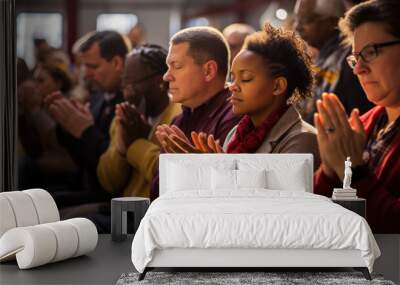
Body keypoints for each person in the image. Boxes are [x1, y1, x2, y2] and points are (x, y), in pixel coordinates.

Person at [161, 24, 320, 168]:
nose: (233, 87)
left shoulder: (302, 140)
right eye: (233, 78)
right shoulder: (236, 133)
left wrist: (218, 169)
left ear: (277, 86)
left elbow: (276, 199)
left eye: (246, 78)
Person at [314, 0, 400, 233]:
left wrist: (353, 173)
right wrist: (330, 171)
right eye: (355, 58)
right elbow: (318, 218)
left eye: (371, 52)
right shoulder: (363, 124)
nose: (359, 69)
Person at [151, 26, 241, 200]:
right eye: (168, 67)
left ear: (208, 71)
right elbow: (157, 193)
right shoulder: (178, 120)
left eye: (176, 66)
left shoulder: (233, 116)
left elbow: (225, 196)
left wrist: (191, 167)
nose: (166, 77)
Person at [44, 31, 128, 208]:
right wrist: (66, 124)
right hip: (86, 185)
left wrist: (85, 130)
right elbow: (81, 158)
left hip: (111, 197)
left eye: (93, 66)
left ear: (117, 63)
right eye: (84, 66)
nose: (86, 73)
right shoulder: (97, 97)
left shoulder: (129, 105)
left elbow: (114, 169)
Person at [97, 44, 181, 199]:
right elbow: (108, 182)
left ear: (159, 81)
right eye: (125, 83)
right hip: (123, 209)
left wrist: (137, 144)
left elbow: (170, 180)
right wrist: (121, 150)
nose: (127, 92)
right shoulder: (125, 117)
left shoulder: (178, 117)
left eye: (133, 84)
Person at [294, 0, 373, 123]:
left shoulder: (350, 58)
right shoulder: (323, 56)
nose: (297, 27)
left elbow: (360, 116)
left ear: (331, 22)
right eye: (297, 20)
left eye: (305, 20)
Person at [18, 61, 77, 191]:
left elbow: (55, 142)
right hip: (48, 160)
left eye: (41, 81)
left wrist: (34, 111)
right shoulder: (43, 104)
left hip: (67, 164)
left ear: (58, 83)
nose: (35, 86)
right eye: (35, 80)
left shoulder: (67, 104)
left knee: (23, 166)